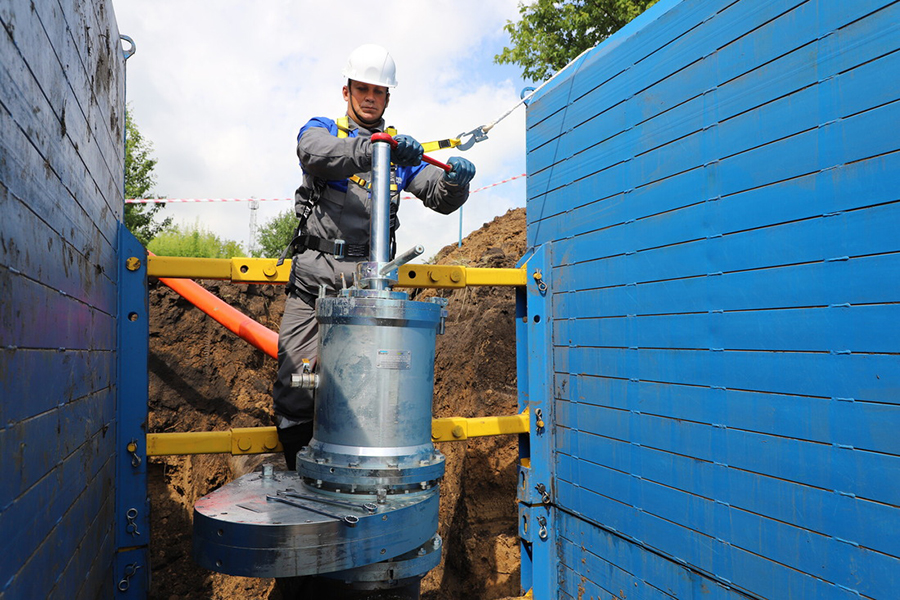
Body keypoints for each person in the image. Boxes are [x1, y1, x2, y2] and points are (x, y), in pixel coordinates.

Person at [273, 44, 476, 469]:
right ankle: (298, 472)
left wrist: (456, 182)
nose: (369, 97)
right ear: (346, 92)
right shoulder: (324, 129)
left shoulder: (401, 155)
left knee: (370, 387)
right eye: (361, 89)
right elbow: (314, 153)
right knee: (298, 383)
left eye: (378, 91)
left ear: (387, 98)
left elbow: (438, 195)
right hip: (313, 288)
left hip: (369, 291)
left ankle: (361, 479)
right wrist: (373, 150)